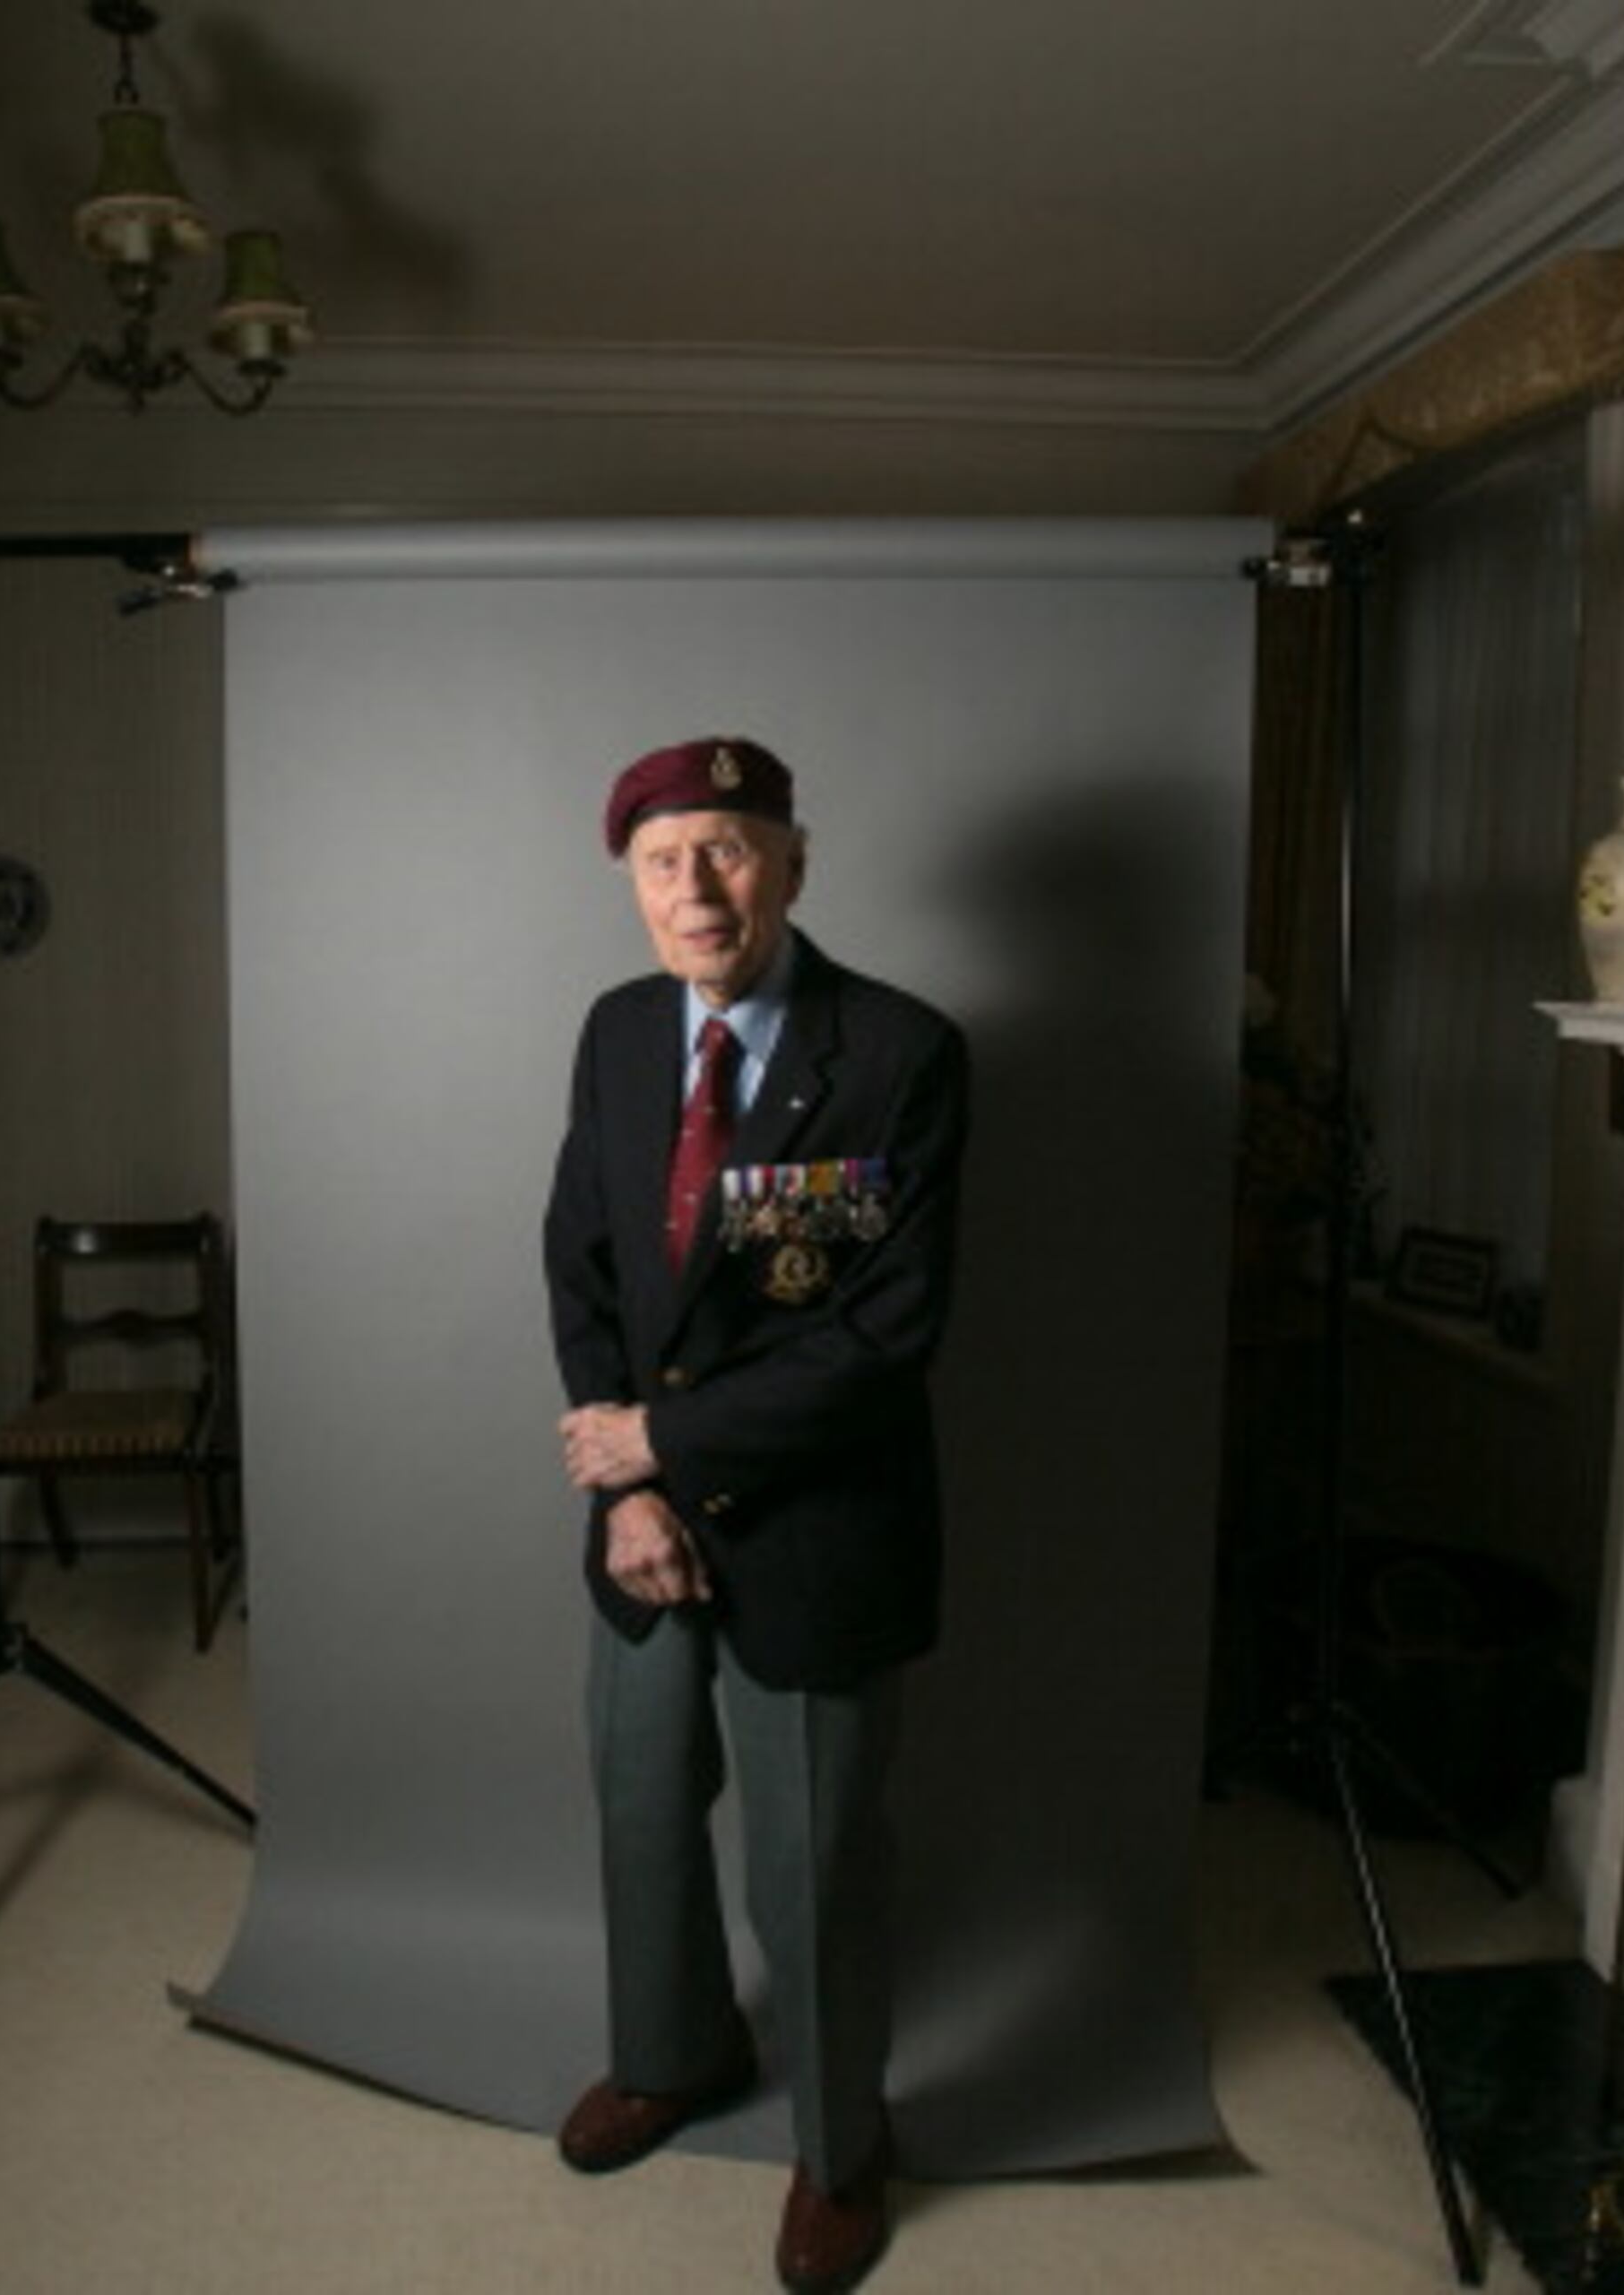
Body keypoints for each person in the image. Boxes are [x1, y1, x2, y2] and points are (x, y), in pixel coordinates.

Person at [541, 736, 969, 2295]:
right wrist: (632, 1482)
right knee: (643, 1814)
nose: (697, 888)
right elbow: (581, 1259)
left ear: (793, 862)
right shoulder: (614, 1036)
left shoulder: (901, 1054)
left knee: (815, 1867)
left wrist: (666, 1436)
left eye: (728, 850)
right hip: (644, 1527)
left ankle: (842, 2149)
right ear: (634, 889)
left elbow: (882, 1335)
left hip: (818, 1530)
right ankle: (672, 2059)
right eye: (665, 861)